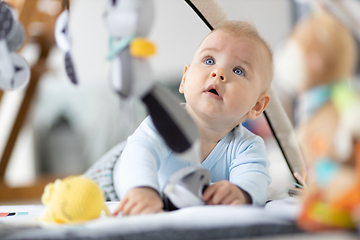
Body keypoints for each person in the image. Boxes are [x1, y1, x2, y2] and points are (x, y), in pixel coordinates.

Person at [85, 20, 274, 216]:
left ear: (257, 106)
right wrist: (143, 189)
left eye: (238, 70)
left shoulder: (248, 146)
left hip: (171, 199)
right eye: (209, 60)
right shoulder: (166, 122)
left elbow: (256, 179)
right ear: (184, 80)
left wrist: (240, 193)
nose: (218, 73)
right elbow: (140, 152)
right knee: (74, 199)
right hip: (113, 179)